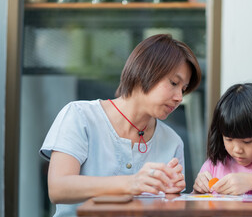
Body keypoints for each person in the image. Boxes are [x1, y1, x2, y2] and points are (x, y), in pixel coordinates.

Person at [39, 34, 202, 216]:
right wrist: (132, 182)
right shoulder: (80, 116)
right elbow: (58, 188)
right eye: (173, 83)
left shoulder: (172, 141)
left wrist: (172, 195)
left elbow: (168, 209)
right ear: (144, 71)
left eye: (183, 89)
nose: (179, 97)